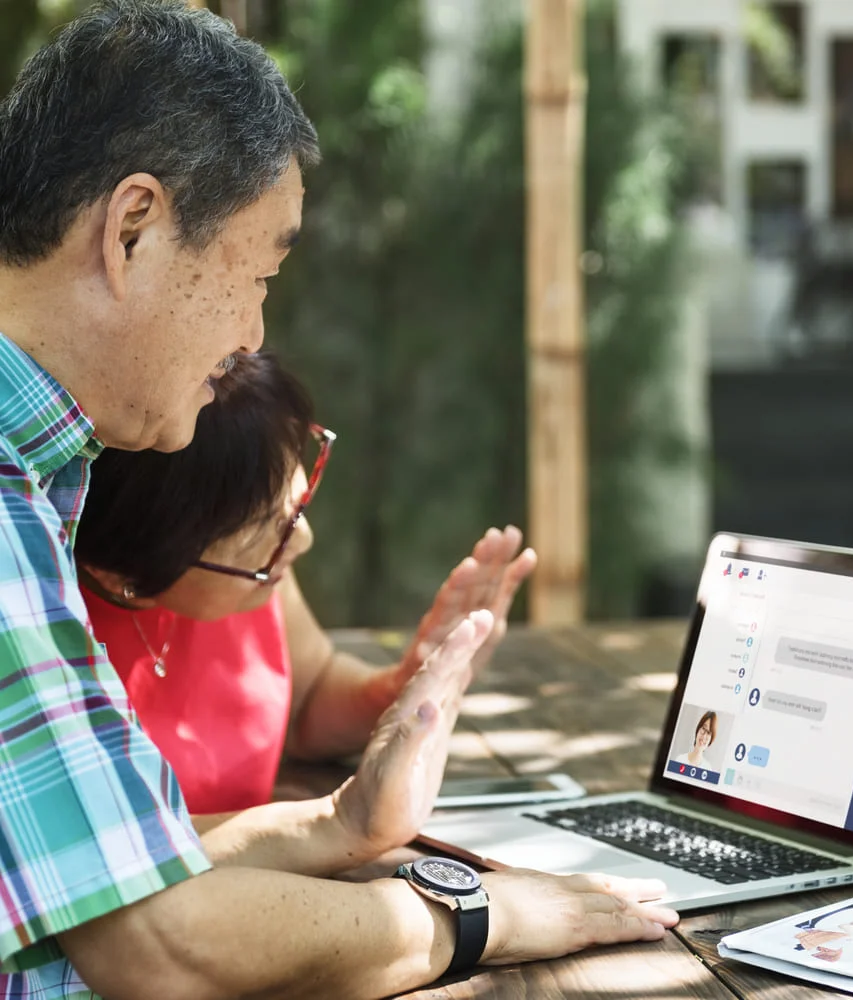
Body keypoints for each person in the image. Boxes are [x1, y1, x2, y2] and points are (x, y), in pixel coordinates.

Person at [0, 2, 678, 998]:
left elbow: (103, 893)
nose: (251, 329)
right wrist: (480, 914)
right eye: (262, 268)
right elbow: (158, 945)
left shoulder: (39, 479)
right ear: (133, 227)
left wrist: (340, 827)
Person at [74, 349, 535, 874]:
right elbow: (109, 861)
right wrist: (338, 823)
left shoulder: (251, 582)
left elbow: (309, 698)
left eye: (296, 510)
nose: (303, 542)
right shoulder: (46, 633)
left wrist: (408, 686)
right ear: (125, 576)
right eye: (270, 536)